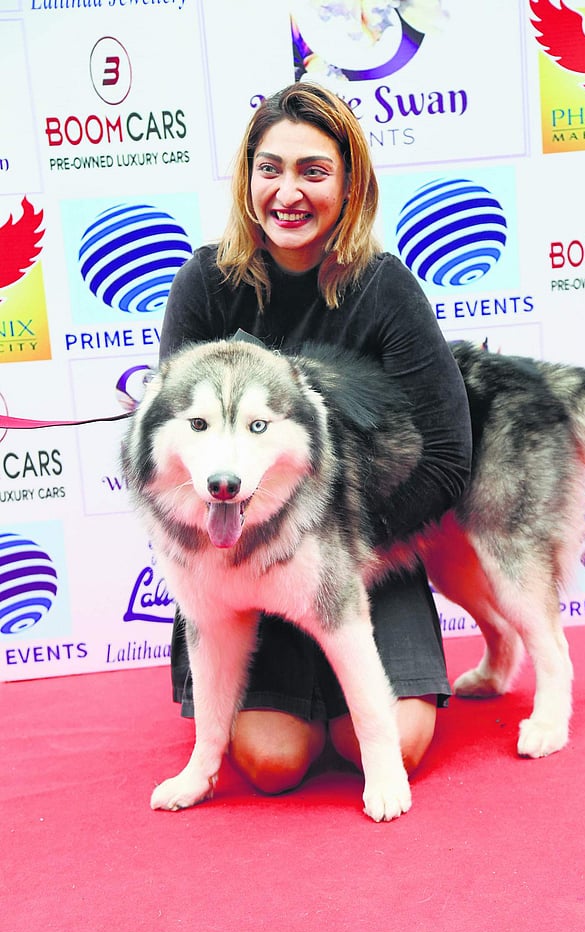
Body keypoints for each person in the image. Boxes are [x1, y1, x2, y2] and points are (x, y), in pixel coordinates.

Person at [159, 82, 472, 797]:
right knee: (273, 762)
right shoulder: (206, 282)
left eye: (313, 171)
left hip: (361, 551)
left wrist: (332, 547)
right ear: (247, 179)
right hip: (237, 558)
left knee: (393, 745)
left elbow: (448, 456)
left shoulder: (384, 288)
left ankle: (348, 693)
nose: (288, 192)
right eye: (270, 169)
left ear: (349, 184)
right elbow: (181, 444)